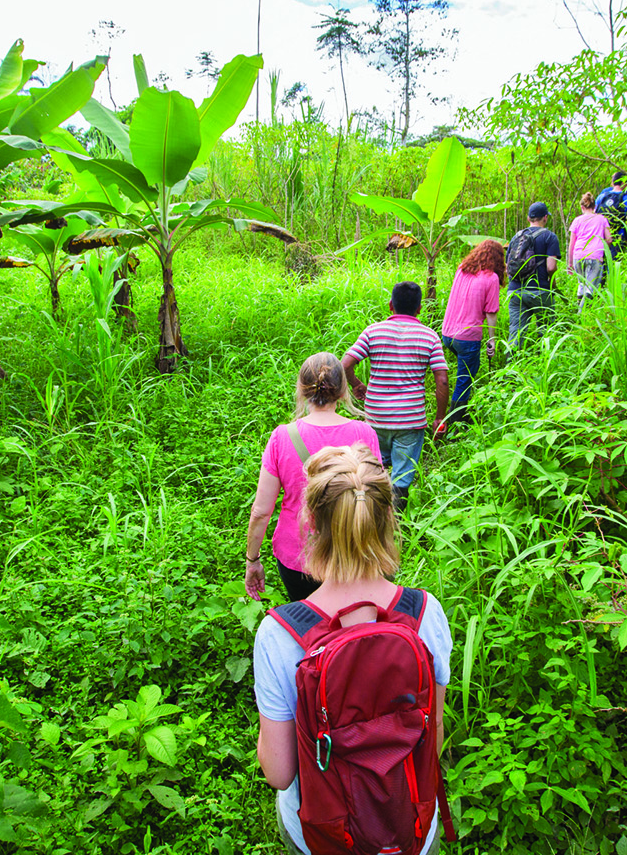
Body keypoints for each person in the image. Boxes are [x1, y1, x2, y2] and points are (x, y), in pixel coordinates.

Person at [254, 442, 453, 855]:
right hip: (413, 823)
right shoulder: (424, 613)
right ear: (388, 521)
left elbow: (279, 772)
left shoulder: (280, 635)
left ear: (309, 521)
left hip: (323, 835)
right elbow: (431, 735)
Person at [245, 353, 382, 603]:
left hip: (298, 554)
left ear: (301, 389)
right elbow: (377, 500)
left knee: (308, 625)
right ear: (342, 392)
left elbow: (261, 512)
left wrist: (252, 560)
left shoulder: (281, 437)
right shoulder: (364, 433)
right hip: (351, 549)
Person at [342, 281, 448, 513]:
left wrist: (357, 384)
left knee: (372, 471)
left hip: (376, 418)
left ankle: (368, 518)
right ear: (419, 309)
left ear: (391, 305)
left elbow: (345, 364)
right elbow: (442, 379)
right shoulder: (430, 337)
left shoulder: (373, 331)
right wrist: (440, 418)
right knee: (401, 480)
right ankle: (397, 526)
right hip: (410, 421)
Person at [439, 239, 504, 428]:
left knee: (464, 373)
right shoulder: (491, 278)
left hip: (448, 334)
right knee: (465, 379)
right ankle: (456, 422)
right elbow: (491, 312)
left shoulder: (462, 269)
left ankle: (459, 411)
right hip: (467, 337)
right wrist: (492, 340)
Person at [506, 201, 561, 346]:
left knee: (516, 332)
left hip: (515, 290)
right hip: (540, 289)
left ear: (528, 218)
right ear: (545, 218)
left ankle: (512, 364)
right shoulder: (550, 237)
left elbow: (507, 267)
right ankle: (544, 363)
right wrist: (552, 285)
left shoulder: (516, 237)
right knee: (546, 331)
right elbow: (551, 267)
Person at [567, 191, 612, 311]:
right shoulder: (602, 219)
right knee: (590, 287)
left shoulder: (577, 220)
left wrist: (570, 263)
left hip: (578, 255)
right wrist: (601, 246)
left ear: (582, 207)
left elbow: (572, 243)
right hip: (594, 255)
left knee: (581, 284)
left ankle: (578, 310)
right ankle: (581, 315)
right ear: (595, 207)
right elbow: (609, 239)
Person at [597, 171, 627, 254]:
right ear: (623, 182)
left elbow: (594, 214)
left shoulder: (602, 196)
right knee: (615, 261)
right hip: (619, 236)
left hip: (601, 236)